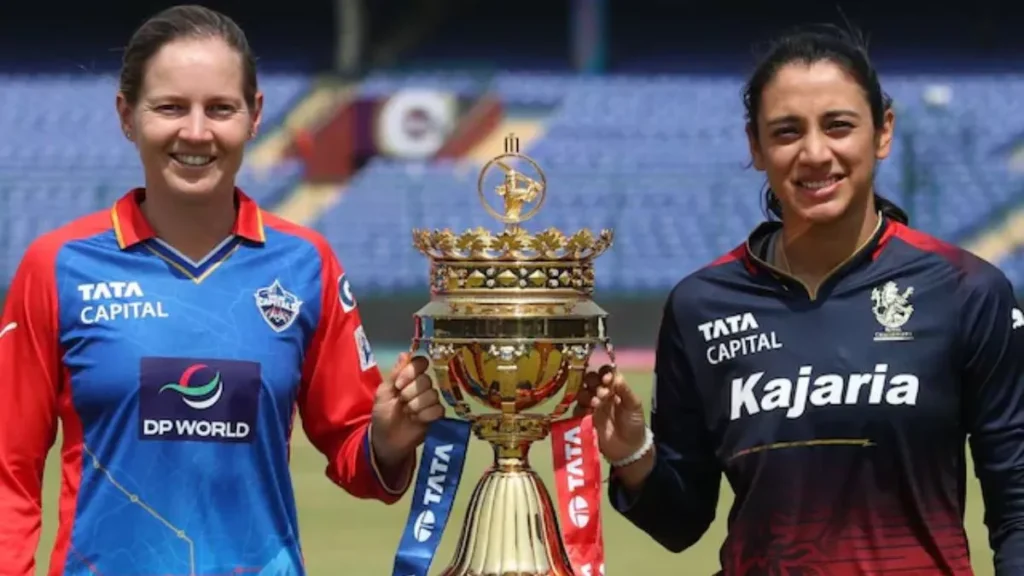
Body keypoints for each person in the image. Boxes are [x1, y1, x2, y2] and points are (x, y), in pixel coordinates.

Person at [0, 5, 443, 575]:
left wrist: (388, 436)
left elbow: (359, 459)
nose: (196, 131)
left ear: (255, 115)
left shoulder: (307, 264)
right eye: (169, 107)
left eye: (220, 109)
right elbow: (10, 473)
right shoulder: (57, 266)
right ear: (126, 115)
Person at [579, 23, 1024, 575]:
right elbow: (681, 523)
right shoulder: (702, 305)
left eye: (839, 126)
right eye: (787, 131)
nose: (815, 153)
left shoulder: (966, 290)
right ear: (756, 146)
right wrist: (632, 453)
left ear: (883, 131)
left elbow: (1018, 507)